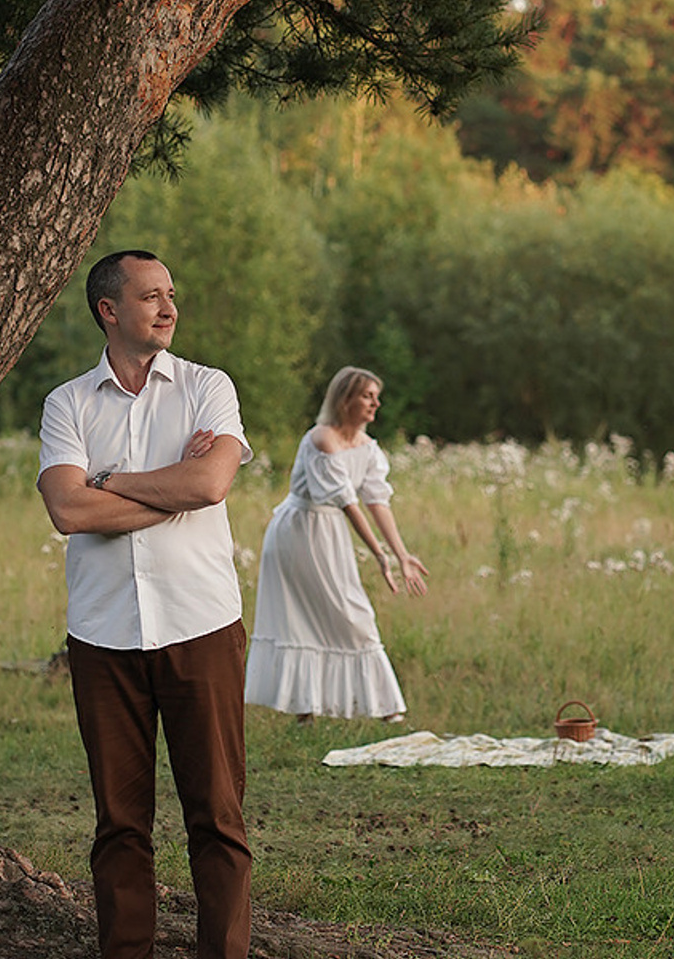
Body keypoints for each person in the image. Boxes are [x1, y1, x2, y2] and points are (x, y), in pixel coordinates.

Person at [37, 249, 253, 959]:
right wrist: (168, 487)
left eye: (170, 294)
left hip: (201, 626)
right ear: (109, 310)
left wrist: (112, 481)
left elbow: (210, 486)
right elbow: (68, 510)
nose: (169, 307)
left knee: (217, 816)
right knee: (120, 824)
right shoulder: (67, 403)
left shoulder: (207, 387)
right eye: (151, 296)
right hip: (103, 636)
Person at [245, 366, 427, 723]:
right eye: (367, 395)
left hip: (328, 534)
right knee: (303, 616)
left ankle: (383, 709)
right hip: (298, 531)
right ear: (345, 399)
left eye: (376, 396)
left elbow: (377, 501)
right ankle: (307, 709)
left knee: (350, 611)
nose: (376, 403)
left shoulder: (368, 448)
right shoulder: (322, 438)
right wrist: (379, 555)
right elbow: (347, 502)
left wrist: (401, 554)